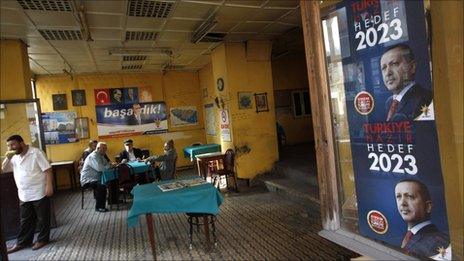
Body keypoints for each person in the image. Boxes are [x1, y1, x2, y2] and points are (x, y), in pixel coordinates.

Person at [1, 135, 53, 253]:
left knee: (42, 218)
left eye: (13, 144)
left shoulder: (36, 153)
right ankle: (23, 242)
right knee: (25, 219)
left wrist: (49, 186)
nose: (11, 148)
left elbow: (48, 170)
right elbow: (4, 169)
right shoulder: (13, 157)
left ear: (21, 143)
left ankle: (43, 239)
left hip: (39, 190)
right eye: (9, 146)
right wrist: (7, 158)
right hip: (24, 193)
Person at [394, 179, 450, 258]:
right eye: (398, 196)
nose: (402, 203)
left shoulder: (438, 242)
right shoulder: (406, 236)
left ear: (428, 206)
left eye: (410, 196)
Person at [380, 44, 433, 121]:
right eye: (384, 68)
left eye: (394, 64)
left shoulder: (426, 99)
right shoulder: (389, 102)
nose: (388, 73)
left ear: (412, 67)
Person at [80, 142, 117, 212]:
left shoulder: (101, 155)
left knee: (113, 179)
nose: (105, 150)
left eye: (106, 149)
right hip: (88, 180)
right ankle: (99, 207)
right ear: (98, 148)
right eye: (104, 149)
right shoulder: (93, 156)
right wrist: (110, 166)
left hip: (97, 178)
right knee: (101, 185)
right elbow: (100, 168)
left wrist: (111, 164)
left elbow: (107, 164)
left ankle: (113, 200)